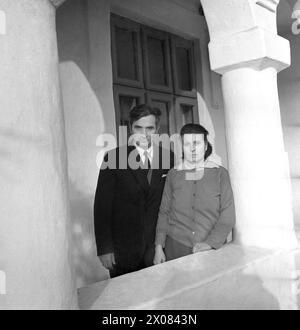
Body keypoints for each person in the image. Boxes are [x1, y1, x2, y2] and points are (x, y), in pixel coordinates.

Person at [94, 104, 174, 278]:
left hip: (157, 249)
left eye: (149, 128)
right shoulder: (114, 158)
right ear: (131, 128)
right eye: (138, 127)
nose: (144, 134)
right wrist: (104, 248)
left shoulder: (169, 157)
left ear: (157, 129)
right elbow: (102, 206)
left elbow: (173, 202)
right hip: (122, 250)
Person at [154, 124, 236, 264]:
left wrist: (210, 243)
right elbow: (164, 212)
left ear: (205, 146)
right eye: (187, 144)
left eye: (196, 143)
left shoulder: (220, 174)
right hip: (175, 248)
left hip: (210, 250)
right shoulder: (173, 174)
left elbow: (228, 214)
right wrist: (158, 247)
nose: (192, 148)